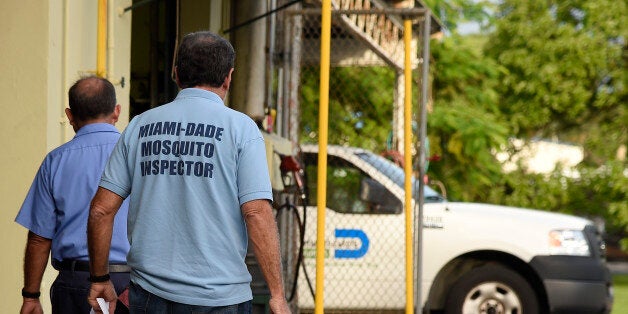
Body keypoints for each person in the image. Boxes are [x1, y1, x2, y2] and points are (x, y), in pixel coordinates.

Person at [87, 31, 291, 313]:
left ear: (176, 74)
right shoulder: (241, 129)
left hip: (149, 296)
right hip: (220, 300)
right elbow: (256, 212)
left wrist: (99, 278)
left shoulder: (139, 126)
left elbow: (101, 210)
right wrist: (277, 295)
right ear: (228, 77)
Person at [15, 76, 131, 314]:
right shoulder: (137, 156)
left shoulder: (55, 161)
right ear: (116, 112)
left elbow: (39, 238)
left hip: (75, 285)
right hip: (131, 286)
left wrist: (31, 295)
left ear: (70, 116)